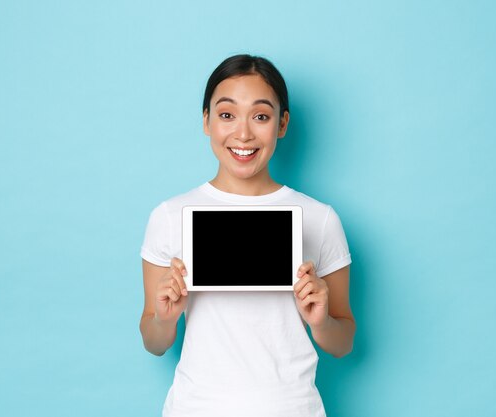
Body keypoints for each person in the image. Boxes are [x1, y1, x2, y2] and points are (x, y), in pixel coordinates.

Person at [139, 54, 355, 417]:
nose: (243, 134)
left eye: (260, 116)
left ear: (282, 124)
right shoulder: (168, 216)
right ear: (206, 121)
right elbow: (153, 342)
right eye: (226, 115)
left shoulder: (320, 219)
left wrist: (320, 322)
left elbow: (343, 342)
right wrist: (164, 318)